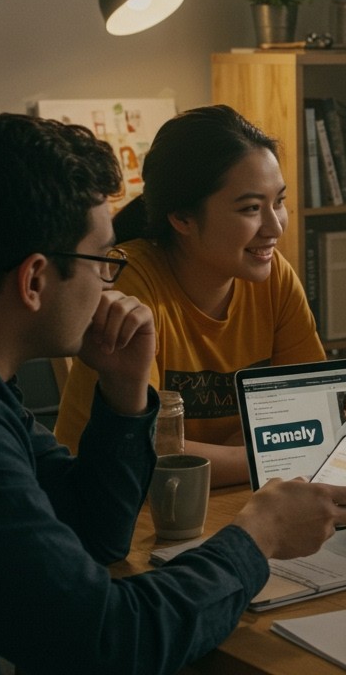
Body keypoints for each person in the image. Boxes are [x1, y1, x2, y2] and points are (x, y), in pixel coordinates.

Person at [0, 112, 346, 673]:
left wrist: (125, 393)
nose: (112, 283)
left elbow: (93, 533)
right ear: (34, 279)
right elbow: (109, 642)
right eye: (103, 262)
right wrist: (257, 537)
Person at [56, 105, 325, 487]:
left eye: (278, 201)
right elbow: (144, 453)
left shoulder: (274, 277)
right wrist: (269, 455)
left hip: (233, 494)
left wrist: (235, 454)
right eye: (251, 208)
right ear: (182, 218)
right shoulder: (126, 282)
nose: (274, 227)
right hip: (119, 508)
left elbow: (315, 410)